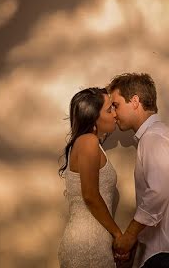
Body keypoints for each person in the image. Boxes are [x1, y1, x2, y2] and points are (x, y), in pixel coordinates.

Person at [108, 73, 169, 268]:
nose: (113, 113)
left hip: (168, 257)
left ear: (135, 101)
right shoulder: (161, 135)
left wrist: (129, 236)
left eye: (116, 105)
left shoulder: (154, 138)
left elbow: (158, 192)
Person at [57, 87, 131, 268]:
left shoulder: (89, 144)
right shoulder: (88, 142)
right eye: (109, 109)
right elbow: (90, 195)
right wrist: (118, 235)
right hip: (88, 243)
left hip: (93, 240)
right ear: (93, 116)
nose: (114, 114)